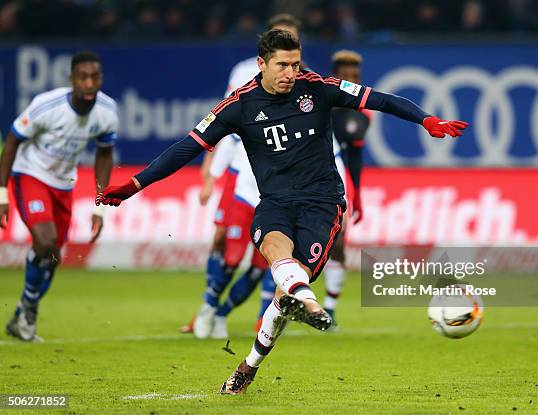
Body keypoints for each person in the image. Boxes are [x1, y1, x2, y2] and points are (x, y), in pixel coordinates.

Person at [96, 30, 467, 394]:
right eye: (282, 65)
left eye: (295, 63)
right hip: (275, 203)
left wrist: (426, 120)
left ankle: (251, 362)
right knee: (275, 248)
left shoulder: (318, 87)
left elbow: (381, 99)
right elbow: (185, 147)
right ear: (262, 64)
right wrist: (135, 184)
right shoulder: (239, 105)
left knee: (285, 290)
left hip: (323, 205)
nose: (291, 72)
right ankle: (306, 302)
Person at [184, 14, 303, 339]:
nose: (289, 66)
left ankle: (226, 313)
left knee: (262, 260)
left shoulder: (306, 88)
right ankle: (207, 309)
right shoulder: (243, 77)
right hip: (242, 179)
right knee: (228, 249)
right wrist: (212, 173)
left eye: (294, 57)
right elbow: (227, 122)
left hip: (279, 191)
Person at [1, 50, 118, 341]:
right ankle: (28, 309)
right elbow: (14, 139)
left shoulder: (107, 111)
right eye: (83, 77)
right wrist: (2, 193)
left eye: (95, 77)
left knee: (53, 255)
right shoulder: (47, 106)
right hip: (30, 175)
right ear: (72, 79)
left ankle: (23, 313)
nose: (90, 83)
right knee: (45, 239)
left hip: (64, 184)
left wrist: (100, 205)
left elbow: (104, 155)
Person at [322, 49, 372, 327]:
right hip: (308, 179)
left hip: (340, 183)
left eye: (357, 76)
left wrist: (359, 196)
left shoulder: (361, 115)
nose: (353, 81)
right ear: (336, 76)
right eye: (347, 76)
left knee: (338, 242)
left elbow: (355, 157)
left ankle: (330, 308)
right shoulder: (318, 103)